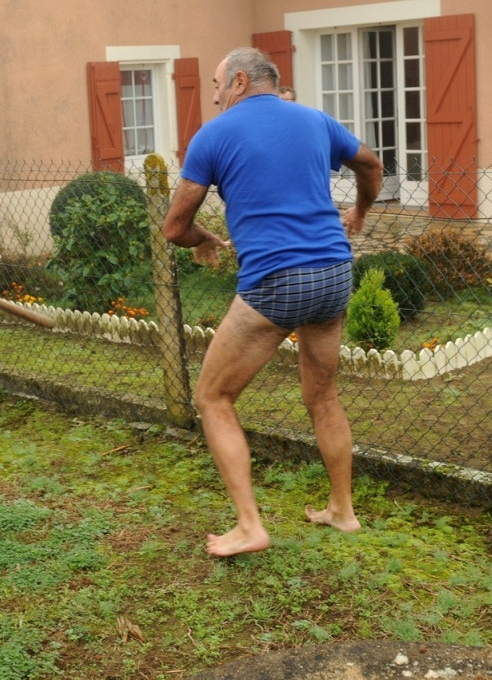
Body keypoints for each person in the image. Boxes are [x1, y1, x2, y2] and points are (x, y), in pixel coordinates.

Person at [162, 47, 383, 557]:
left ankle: (249, 527)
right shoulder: (315, 120)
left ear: (240, 81)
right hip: (334, 274)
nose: (214, 97)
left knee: (213, 398)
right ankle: (343, 511)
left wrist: (202, 239)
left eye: (217, 85)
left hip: (276, 282)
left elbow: (174, 227)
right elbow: (371, 164)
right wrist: (360, 212)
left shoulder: (213, 136)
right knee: (323, 396)